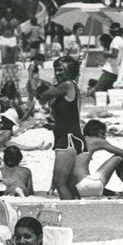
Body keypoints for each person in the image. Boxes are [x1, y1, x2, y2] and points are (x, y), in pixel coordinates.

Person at [39, 56, 84, 199]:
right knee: (69, 183)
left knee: (59, 183)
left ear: (70, 71)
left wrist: (40, 84)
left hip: (67, 138)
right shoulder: (69, 87)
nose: (57, 73)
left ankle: (71, 216)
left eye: (61, 70)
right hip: (68, 135)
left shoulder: (67, 85)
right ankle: (80, 211)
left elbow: (43, 96)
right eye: (56, 70)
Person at [69, 120, 123, 198]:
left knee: (91, 181)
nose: (104, 137)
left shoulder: (74, 141)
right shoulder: (96, 140)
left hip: (75, 190)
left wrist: (53, 189)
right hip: (87, 185)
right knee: (119, 157)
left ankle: (122, 191)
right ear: (94, 132)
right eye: (102, 133)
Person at [94, 22, 123, 93]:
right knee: (107, 90)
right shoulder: (120, 39)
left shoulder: (116, 40)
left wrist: (105, 53)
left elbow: (114, 55)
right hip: (114, 70)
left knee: (98, 88)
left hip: (110, 70)